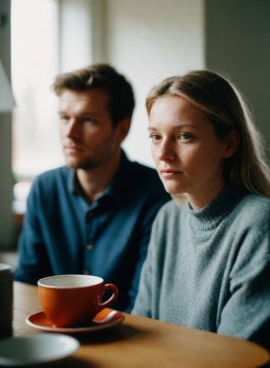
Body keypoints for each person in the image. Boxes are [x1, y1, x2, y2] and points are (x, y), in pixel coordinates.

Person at [14, 64, 170, 312]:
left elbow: (143, 302)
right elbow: (27, 282)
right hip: (52, 335)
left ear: (122, 129)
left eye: (88, 120)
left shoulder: (155, 194)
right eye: (65, 118)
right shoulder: (45, 189)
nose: (70, 133)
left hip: (125, 339)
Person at [132, 69, 270, 349]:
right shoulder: (167, 218)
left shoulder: (259, 222)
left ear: (229, 144)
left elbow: (233, 356)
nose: (164, 153)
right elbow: (141, 331)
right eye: (155, 137)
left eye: (184, 136)